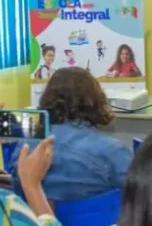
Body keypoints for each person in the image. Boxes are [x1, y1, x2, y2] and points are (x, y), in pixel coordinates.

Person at [9, 67, 132, 201]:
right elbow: (143, 193)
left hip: (33, 221)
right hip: (95, 221)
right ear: (96, 101)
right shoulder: (113, 152)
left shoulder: (24, 147)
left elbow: (16, 186)